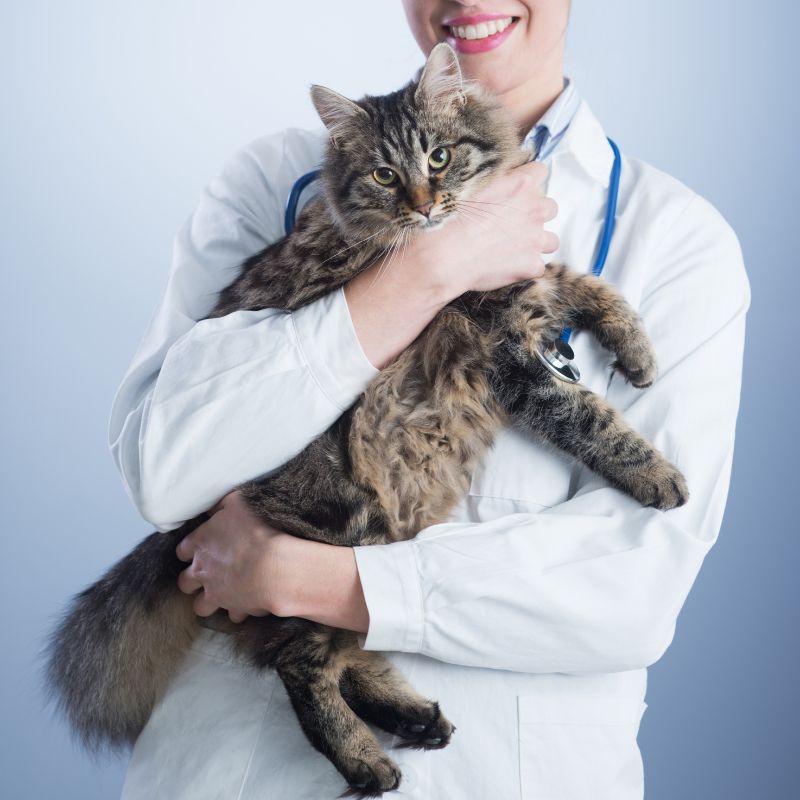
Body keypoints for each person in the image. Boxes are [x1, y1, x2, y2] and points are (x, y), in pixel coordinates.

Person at [109, 2, 750, 798]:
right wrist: (422, 273)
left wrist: (301, 577)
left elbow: (632, 586)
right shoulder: (267, 181)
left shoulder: (681, 240)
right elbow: (162, 468)